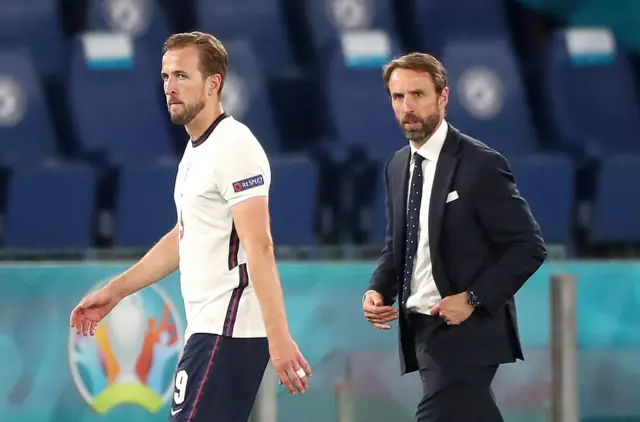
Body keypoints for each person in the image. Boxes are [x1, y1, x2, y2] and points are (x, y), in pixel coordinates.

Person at [69, 31, 311, 422]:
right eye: (165, 77)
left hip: (227, 327)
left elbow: (259, 245)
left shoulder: (235, 146)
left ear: (213, 83)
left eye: (182, 76)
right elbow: (186, 237)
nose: (169, 87)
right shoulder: (197, 149)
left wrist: (278, 337)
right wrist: (115, 292)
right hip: (208, 327)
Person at [362, 52, 547, 421]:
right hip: (421, 329)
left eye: (418, 95)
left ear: (443, 97)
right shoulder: (398, 165)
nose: (407, 107)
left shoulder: (480, 163)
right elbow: (400, 242)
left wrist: (473, 299)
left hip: (467, 331)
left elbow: (528, 247)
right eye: (398, 98)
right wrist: (377, 288)